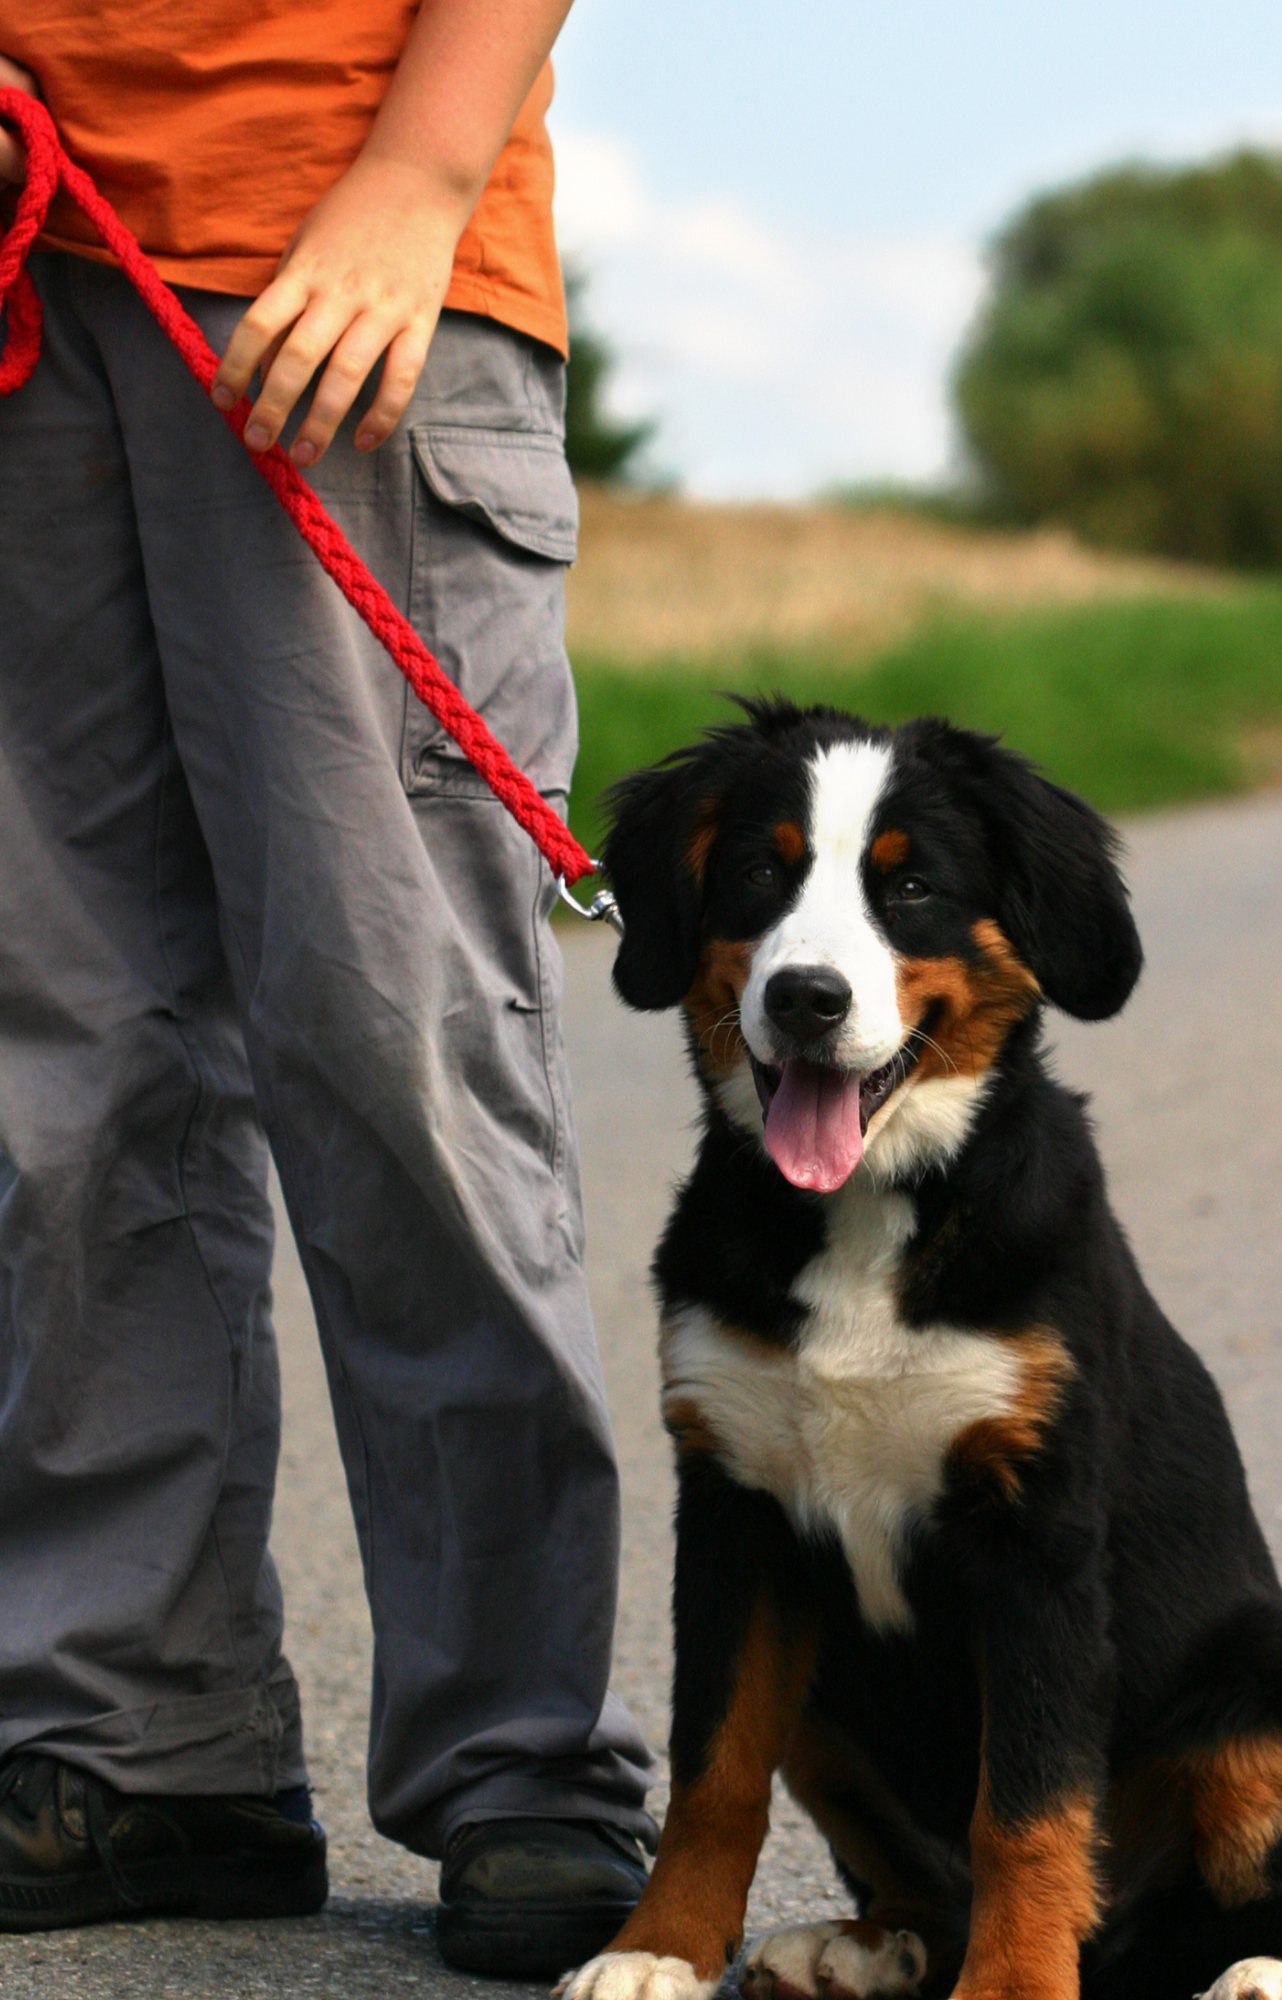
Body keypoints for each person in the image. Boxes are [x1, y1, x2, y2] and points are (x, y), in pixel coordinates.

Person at [0, 3, 655, 1979]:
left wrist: (421, 175)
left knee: (389, 1034)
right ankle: (136, 1741)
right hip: (34, 268)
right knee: (62, 1058)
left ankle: (523, 1751)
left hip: (338, 252)